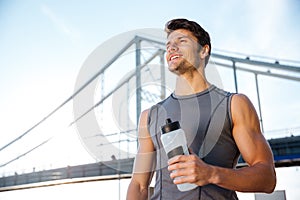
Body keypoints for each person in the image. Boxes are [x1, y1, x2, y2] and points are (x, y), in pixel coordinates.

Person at [126, 18, 276, 200]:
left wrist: (210, 173)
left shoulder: (234, 104)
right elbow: (139, 185)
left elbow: (267, 178)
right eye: (168, 45)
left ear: (204, 50)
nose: (172, 48)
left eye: (182, 41)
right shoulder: (150, 115)